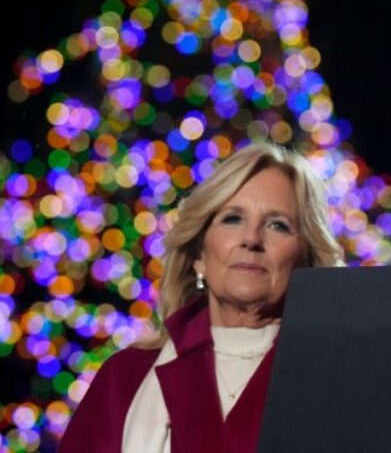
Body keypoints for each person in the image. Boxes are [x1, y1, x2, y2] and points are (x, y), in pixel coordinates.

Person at [60, 143, 344, 452]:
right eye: (233, 218)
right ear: (199, 254)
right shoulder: (124, 378)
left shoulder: (337, 381)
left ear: (305, 260)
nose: (251, 239)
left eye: (278, 225)